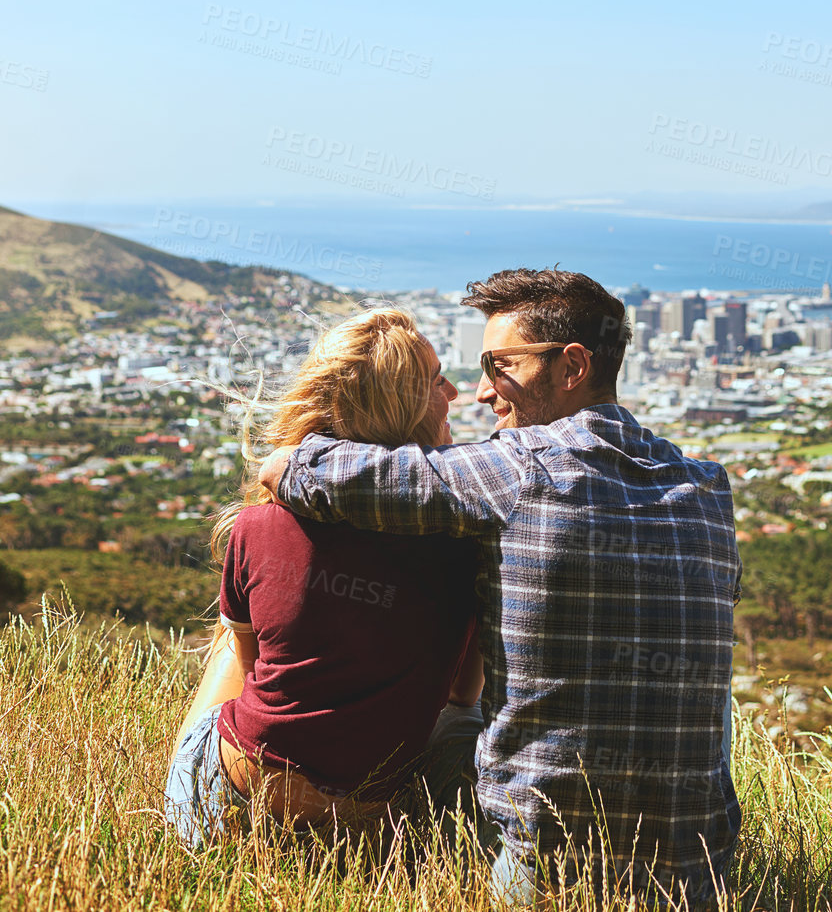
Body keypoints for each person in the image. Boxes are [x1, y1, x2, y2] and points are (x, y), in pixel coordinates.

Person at [260, 268, 741, 907]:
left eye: (500, 365)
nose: (484, 391)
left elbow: (308, 472)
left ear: (572, 366)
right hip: (697, 862)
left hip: (548, 857)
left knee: (447, 725)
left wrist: (286, 455)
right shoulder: (707, 488)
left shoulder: (518, 468)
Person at [165, 307, 483, 846]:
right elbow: (461, 691)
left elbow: (252, 667)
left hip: (232, 801)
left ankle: (175, 805)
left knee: (232, 637)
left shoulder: (261, 522)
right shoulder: (464, 539)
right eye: (435, 381)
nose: (453, 392)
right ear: (398, 407)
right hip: (367, 823)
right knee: (467, 721)